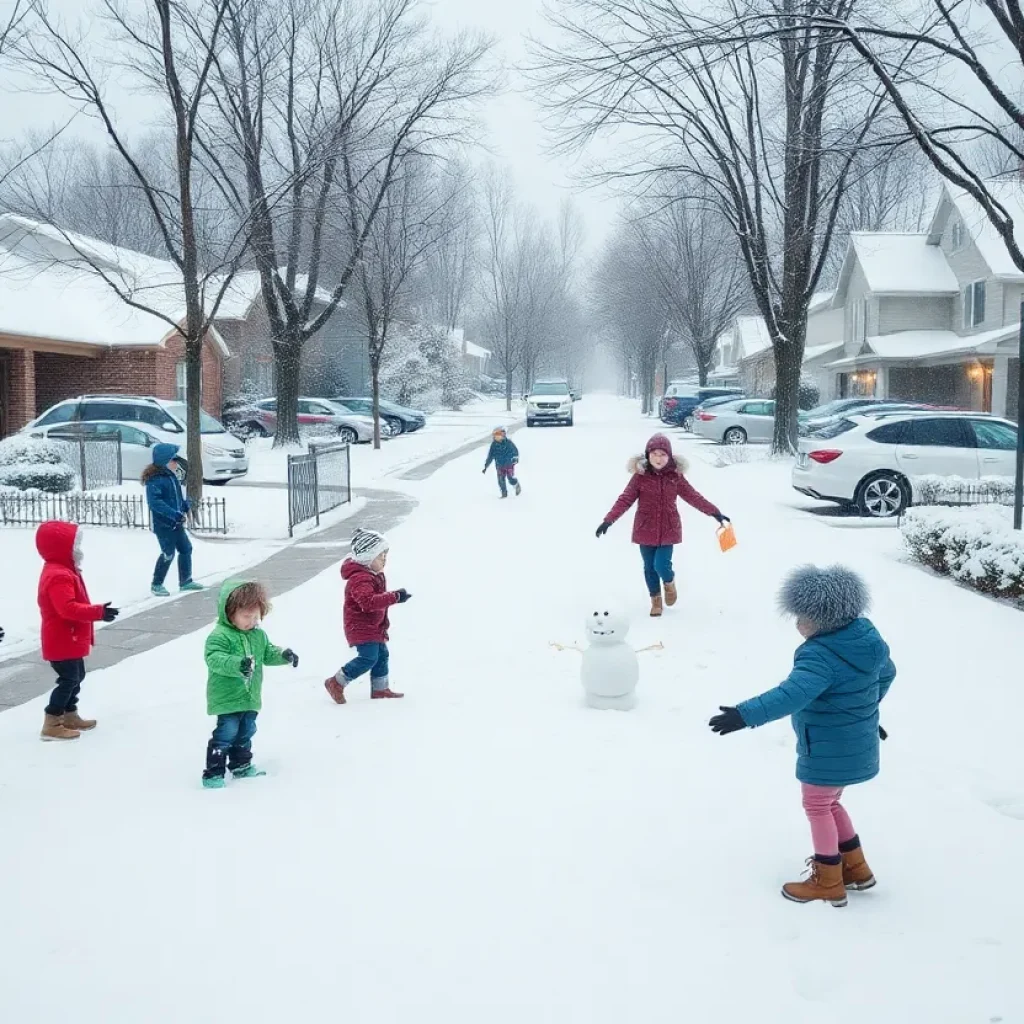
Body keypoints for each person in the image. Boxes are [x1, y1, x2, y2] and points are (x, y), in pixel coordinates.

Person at [709, 565, 896, 907]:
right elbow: (887, 673)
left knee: (816, 804)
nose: (797, 624)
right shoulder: (866, 637)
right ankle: (856, 869)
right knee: (830, 802)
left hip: (826, 745)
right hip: (855, 740)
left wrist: (744, 714)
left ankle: (828, 881)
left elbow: (791, 694)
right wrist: (865, 713)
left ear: (823, 619)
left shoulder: (821, 655)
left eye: (802, 617)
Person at [596, 433, 728, 617]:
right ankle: (655, 601)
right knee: (649, 567)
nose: (659, 459)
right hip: (644, 528)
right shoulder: (640, 477)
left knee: (661, 565)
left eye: (663, 455)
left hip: (668, 528)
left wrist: (714, 512)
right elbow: (625, 500)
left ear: (670, 456)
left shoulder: (675, 477)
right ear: (648, 455)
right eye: (655, 454)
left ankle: (669, 583)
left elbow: (693, 496)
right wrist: (608, 520)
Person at [202, 579, 299, 789]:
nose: (252, 621)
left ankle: (241, 765)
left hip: (250, 696)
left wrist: (284, 655)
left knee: (246, 731)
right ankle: (213, 772)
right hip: (227, 697)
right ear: (229, 613)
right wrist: (239, 665)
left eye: (256, 616)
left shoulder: (258, 635)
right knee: (226, 733)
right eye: (247, 616)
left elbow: (267, 653)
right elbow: (215, 659)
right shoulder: (220, 636)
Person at [36, 521, 119, 741]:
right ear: (61, 548)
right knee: (69, 679)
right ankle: (52, 721)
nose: (79, 550)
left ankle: (70, 714)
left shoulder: (65, 570)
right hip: (61, 638)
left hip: (69, 638)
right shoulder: (58, 575)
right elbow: (67, 608)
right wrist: (98, 612)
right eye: (75, 545)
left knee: (77, 676)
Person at [324, 528, 410, 703]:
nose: (384, 560)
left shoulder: (373, 575)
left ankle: (380, 689)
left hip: (374, 626)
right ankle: (336, 682)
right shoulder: (360, 579)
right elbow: (368, 602)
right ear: (368, 557)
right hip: (361, 627)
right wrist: (394, 597)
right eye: (380, 556)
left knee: (381, 655)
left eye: (385, 555)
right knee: (369, 657)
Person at [143, 443, 204, 597]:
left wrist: (184, 505)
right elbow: (155, 503)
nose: (177, 462)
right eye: (173, 459)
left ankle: (185, 581)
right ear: (165, 461)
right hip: (164, 525)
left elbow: (176, 497)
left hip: (176, 523)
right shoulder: (155, 480)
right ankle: (156, 584)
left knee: (186, 549)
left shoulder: (171, 477)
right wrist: (173, 514)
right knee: (167, 553)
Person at [483, 426, 521, 498]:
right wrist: (486, 466)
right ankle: (504, 493)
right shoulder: (494, 445)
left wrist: (515, 458)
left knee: (510, 478)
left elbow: (515, 451)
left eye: (498, 435)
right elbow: (490, 456)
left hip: (509, 464)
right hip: (499, 465)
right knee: (501, 480)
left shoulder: (508, 443)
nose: (496, 437)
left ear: (503, 435)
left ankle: (516, 484)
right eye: (495, 436)